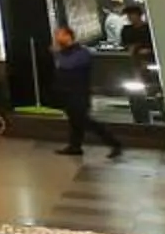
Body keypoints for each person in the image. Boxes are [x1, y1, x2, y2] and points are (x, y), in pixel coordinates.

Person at [52, 24, 125, 159]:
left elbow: (68, 65)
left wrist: (58, 54)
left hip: (79, 92)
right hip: (67, 92)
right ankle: (75, 146)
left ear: (68, 36)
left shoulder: (81, 52)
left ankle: (114, 143)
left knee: (85, 121)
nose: (57, 38)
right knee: (75, 121)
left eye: (60, 35)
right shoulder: (64, 52)